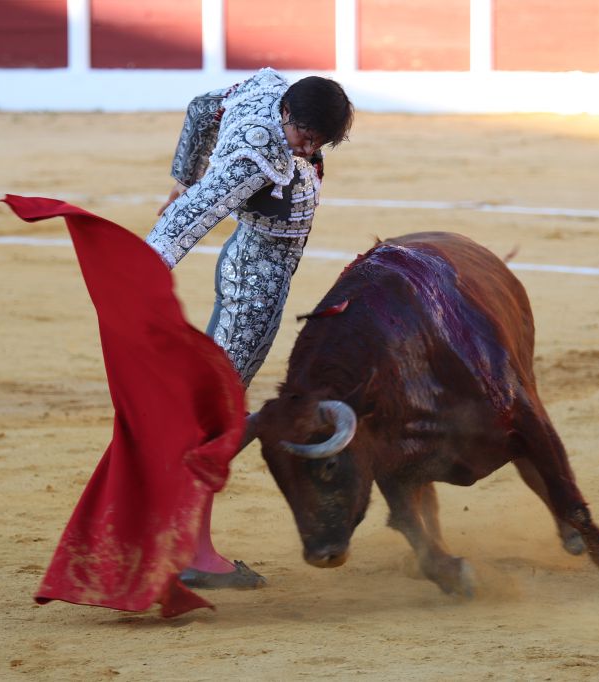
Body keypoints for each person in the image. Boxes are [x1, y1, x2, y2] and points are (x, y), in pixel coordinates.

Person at [145, 67, 354, 588]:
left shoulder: (266, 89)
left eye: (320, 141)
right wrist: (143, 273)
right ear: (287, 113)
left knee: (218, 406)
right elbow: (188, 220)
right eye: (304, 135)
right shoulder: (254, 162)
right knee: (218, 415)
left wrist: (182, 177)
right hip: (255, 283)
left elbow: (201, 109)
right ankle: (191, 550)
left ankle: (181, 536)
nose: (308, 149)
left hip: (247, 261)